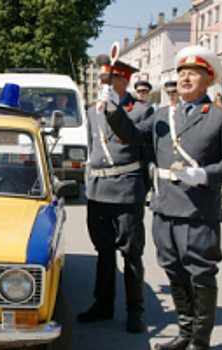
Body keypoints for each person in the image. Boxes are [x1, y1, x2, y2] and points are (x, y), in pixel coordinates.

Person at [103, 45, 222, 349]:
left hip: (198, 208)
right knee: (173, 268)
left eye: (193, 72)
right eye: (181, 72)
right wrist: (113, 109)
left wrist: (205, 175)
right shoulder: (163, 115)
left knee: (201, 273)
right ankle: (184, 333)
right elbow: (131, 135)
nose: (185, 77)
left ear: (210, 80)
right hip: (165, 206)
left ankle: (200, 341)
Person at [77, 56, 154, 333]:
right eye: (99, 80)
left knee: (131, 254)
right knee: (103, 251)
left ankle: (136, 311)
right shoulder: (92, 110)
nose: (101, 85)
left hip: (126, 188)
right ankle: (103, 304)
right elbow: (92, 147)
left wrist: (141, 189)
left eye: (107, 80)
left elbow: (145, 152)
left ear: (123, 81)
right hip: (98, 188)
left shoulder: (141, 111)